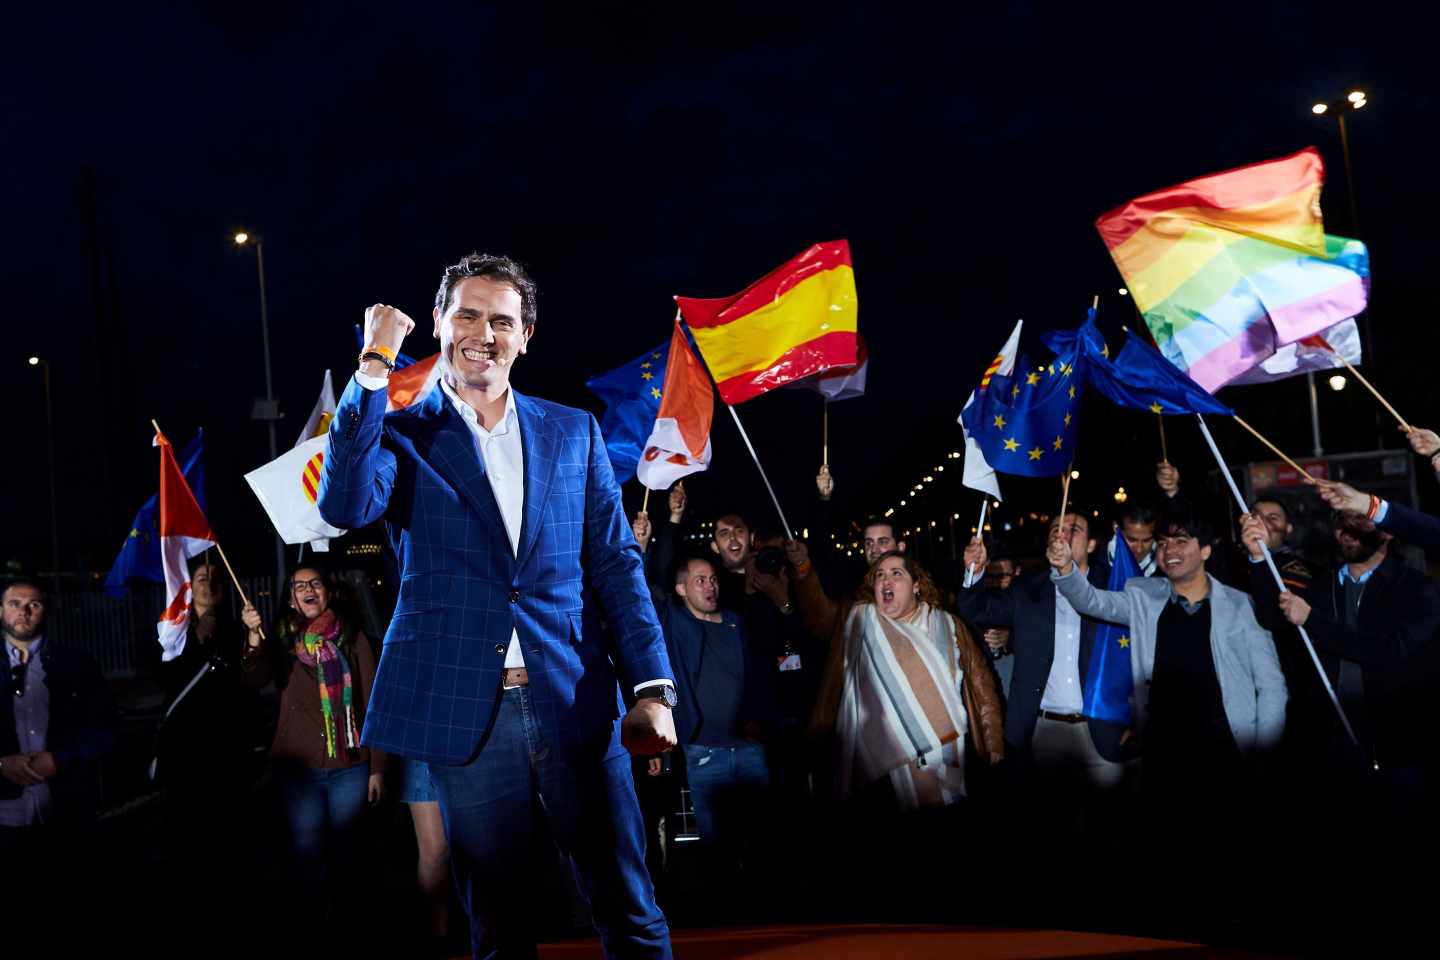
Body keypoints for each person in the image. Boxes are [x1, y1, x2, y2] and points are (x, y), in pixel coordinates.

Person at [318, 253, 675, 958]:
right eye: (468, 315)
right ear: (440, 325)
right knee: (500, 928)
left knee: (629, 908)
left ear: (527, 335)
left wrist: (653, 687)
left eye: (502, 320)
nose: (484, 332)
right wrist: (372, 366)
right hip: (467, 719)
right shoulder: (403, 434)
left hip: (575, 702)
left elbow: (615, 565)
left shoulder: (572, 432)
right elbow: (343, 503)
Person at [1047, 510, 1286, 807]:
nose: (1169, 550)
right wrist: (1065, 569)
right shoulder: (1143, 597)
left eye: (1181, 541)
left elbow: (1271, 686)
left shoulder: (1240, 606)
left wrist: (1263, 750)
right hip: (1162, 752)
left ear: (1206, 550)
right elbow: (1092, 601)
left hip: (1225, 748)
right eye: (1162, 543)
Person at [794, 543, 1003, 810]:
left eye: (896, 573)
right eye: (879, 575)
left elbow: (982, 688)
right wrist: (803, 570)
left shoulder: (949, 625)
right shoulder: (860, 621)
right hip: (883, 776)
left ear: (916, 585)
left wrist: (994, 746)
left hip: (951, 762)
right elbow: (819, 617)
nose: (885, 580)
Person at [1241, 505, 1440, 784]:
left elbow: (1393, 650)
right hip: (1331, 738)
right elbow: (1273, 619)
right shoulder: (1322, 585)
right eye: (1341, 525)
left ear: (1387, 532)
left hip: (1398, 743)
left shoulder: (1416, 588)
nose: (1347, 534)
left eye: (1358, 525)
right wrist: (1259, 558)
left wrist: (1313, 620)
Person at [240, 566, 387, 912]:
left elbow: (372, 704)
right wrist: (253, 636)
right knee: (306, 855)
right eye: (299, 585)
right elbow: (253, 679)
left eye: (315, 583)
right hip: (299, 772)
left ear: (327, 592)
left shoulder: (353, 637)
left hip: (349, 765)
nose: (308, 589)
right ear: (292, 598)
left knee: (347, 855)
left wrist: (378, 767)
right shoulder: (280, 641)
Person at [958, 513, 1129, 799]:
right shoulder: (1027, 590)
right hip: (1043, 731)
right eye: (1055, 529)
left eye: (1073, 529)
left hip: (1102, 731)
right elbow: (977, 610)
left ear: (1091, 544)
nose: (1061, 534)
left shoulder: (1113, 589)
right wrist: (974, 572)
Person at [638, 539, 773, 875]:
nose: (710, 586)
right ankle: (724, 917)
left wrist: (757, 719)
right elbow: (643, 589)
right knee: (717, 846)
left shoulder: (735, 623)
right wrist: (642, 549)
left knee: (762, 839)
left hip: (749, 750)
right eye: (700, 580)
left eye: (712, 579)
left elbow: (758, 676)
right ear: (681, 589)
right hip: (704, 752)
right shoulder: (675, 623)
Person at [152, 562, 261, 899]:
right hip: (183, 752)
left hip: (225, 750)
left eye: (215, 579)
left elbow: (251, 680)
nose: (208, 584)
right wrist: (189, 639)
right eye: (201, 578)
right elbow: (162, 679)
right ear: (188, 586)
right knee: (184, 838)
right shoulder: (171, 630)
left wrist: (254, 636)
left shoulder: (233, 628)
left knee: (227, 839)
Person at [0, 578, 116, 865]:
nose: (24, 612)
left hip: (66, 814)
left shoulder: (77, 664)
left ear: (46, 611)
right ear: (1, 611)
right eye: (15, 604)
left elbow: (106, 730)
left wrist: (61, 760)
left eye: (33, 605)